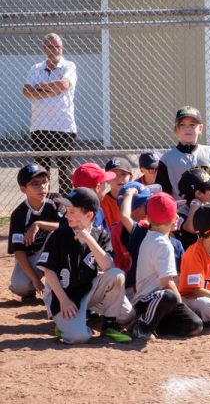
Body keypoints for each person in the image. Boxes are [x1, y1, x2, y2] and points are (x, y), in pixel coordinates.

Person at [37, 188, 133, 344]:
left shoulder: (100, 235)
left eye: (72, 211)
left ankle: (109, 325)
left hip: (89, 290)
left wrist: (89, 239)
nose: (66, 215)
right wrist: (64, 300)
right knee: (80, 337)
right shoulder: (59, 236)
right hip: (64, 296)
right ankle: (66, 325)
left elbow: (109, 268)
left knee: (126, 314)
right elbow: (48, 272)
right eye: (66, 211)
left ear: (89, 215)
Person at [130, 192, 204, 340]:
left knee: (194, 324)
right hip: (147, 302)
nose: (177, 216)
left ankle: (153, 325)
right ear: (174, 219)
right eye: (175, 214)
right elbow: (167, 283)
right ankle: (142, 325)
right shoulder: (162, 243)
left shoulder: (152, 236)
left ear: (149, 218)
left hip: (160, 304)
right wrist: (181, 303)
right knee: (170, 296)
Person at [22, 33, 77, 194]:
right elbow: (26, 91)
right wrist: (50, 90)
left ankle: (66, 205)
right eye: (51, 47)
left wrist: (40, 87)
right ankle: (43, 202)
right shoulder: (36, 68)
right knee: (41, 171)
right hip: (40, 126)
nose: (55, 50)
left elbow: (64, 85)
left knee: (64, 169)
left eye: (58, 46)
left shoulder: (69, 66)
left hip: (63, 127)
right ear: (44, 49)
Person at [156, 106, 210, 200]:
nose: (187, 128)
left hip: (209, 207)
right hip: (181, 210)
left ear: (200, 128)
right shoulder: (167, 159)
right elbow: (163, 192)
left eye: (192, 124)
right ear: (176, 129)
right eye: (182, 124)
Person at [8, 164, 60, 300]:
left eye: (44, 182)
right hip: (33, 257)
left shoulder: (56, 200)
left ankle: (59, 285)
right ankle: (32, 287)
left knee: (57, 235)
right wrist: (34, 279)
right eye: (35, 184)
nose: (42, 187)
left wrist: (39, 224)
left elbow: (67, 228)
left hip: (54, 253)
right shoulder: (19, 214)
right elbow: (19, 251)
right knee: (20, 286)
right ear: (23, 189)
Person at [175, 167, 210, 249]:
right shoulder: (181, 213)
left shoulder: (208, 206)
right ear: (199, 193)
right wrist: (195, 203)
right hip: (191, 258)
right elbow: (191, 228)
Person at [101, 157, 134, 233]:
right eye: (114, 175)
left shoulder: (138, 198)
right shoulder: (102, 203)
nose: (119, 178)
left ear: (130, 177)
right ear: (107, 180)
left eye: (123, 174)